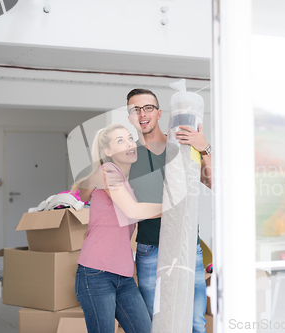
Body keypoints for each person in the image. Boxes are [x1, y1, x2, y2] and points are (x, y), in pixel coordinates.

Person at [109, 88, 212, 332]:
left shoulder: (182, 144)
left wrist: (205, 148)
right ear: (130, 117)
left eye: (147, 108)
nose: (141, 114)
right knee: (156, 322)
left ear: (159, 113)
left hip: (187, 246)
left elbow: (212, 182)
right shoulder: (127, 155)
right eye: (135, 110)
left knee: (195, 322)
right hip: (149, 249)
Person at [72, 124, 163, 333]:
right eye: (120, 141)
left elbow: (146, 211)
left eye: (130, 138)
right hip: (96, 273)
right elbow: (132, 211)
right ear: (108, 152)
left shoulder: (128, 183)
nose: (129, 143)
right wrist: (172, 205)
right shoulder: (109, 171)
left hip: (124, 275)